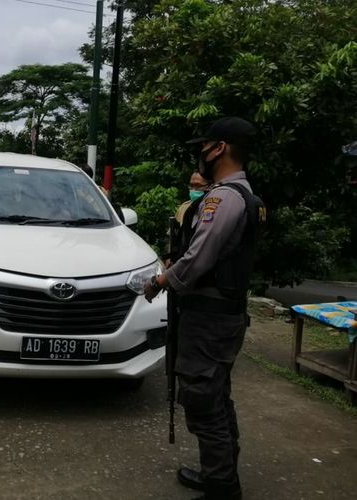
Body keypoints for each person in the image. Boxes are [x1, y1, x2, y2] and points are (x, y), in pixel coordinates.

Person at [143, 117, 265, 500]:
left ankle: (222, 487)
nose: (200, 153)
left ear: (220, 148)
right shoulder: (245, 196)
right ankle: (220, 475)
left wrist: (160, 281)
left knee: (201, 398)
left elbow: (198, 259)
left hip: (210, 318)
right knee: (216, 396)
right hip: (222, 315)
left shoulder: (223, 198)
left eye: (204, 146)